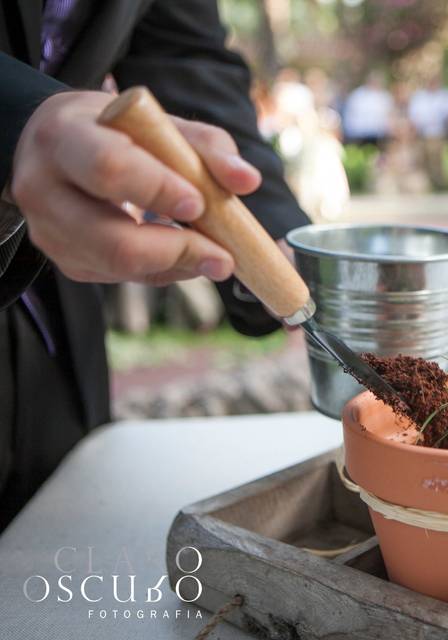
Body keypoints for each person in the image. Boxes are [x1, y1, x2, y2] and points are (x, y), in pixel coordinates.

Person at [0, 0, 310, 529]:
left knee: (58, 549)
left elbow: (185, 54)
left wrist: (277, 240)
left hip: (63, 324)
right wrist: (14, 120)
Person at [408, 75, 448, 189]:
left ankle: (440, 183)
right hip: (420, 133)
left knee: (434, 153)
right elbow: (414, 116)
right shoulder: (419, 97)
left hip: (440, 133)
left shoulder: (446, 96)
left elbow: (447, 115)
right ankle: (425, 184)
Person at [341, 70, 394, 147]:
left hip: (380, 135)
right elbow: (351, 115)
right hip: (360, 134)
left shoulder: (385, 96)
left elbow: (389, 115)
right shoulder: (358, 95)